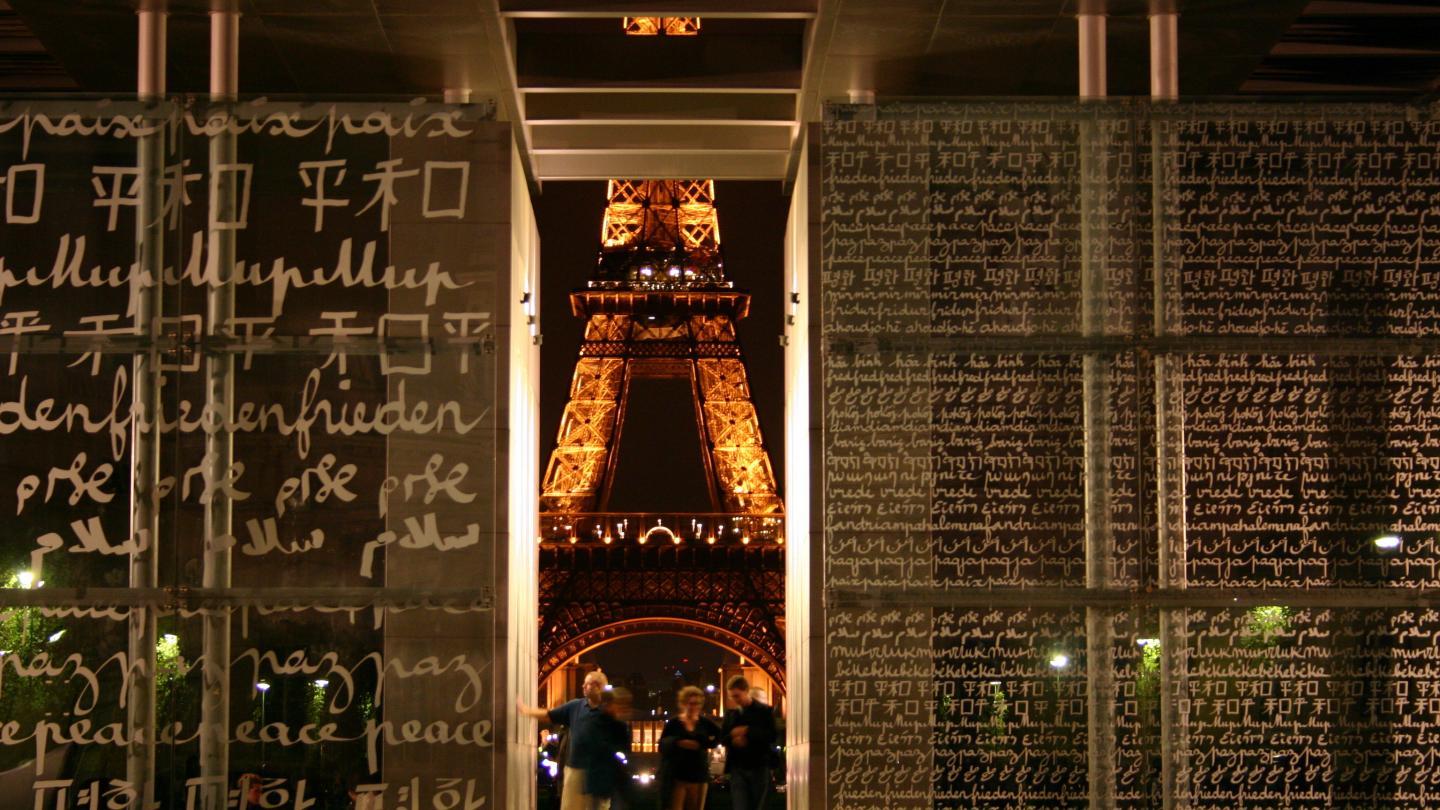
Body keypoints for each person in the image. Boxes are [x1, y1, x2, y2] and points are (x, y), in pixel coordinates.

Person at [519, 670, 618, 810]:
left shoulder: (611, 711)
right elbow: (549, 714)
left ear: (598, 686)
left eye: (587, 684)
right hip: (575, 769)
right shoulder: (575, 706)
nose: (583, 686)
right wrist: (527, 710)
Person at [660, 686, 721, 810]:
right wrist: (678, 742)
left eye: (697, 703)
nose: (693, 707)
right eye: (690, 703)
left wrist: (704, 744)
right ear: (683, 704)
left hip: (698, 775)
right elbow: (662, 745)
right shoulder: (673, 723)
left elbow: (720, 736)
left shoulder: (705, 723)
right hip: (677, 775)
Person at [720, 676, 776, 810]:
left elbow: (772, 736)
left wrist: (748, 731)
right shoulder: (731, 714)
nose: (734, 700)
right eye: (732, 697)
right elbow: (722, 738)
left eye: (737, 696)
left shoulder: (765, 711)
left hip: (758, 765)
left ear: (746, 691)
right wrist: (733, 737)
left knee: (759, 805)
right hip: (738, 767)